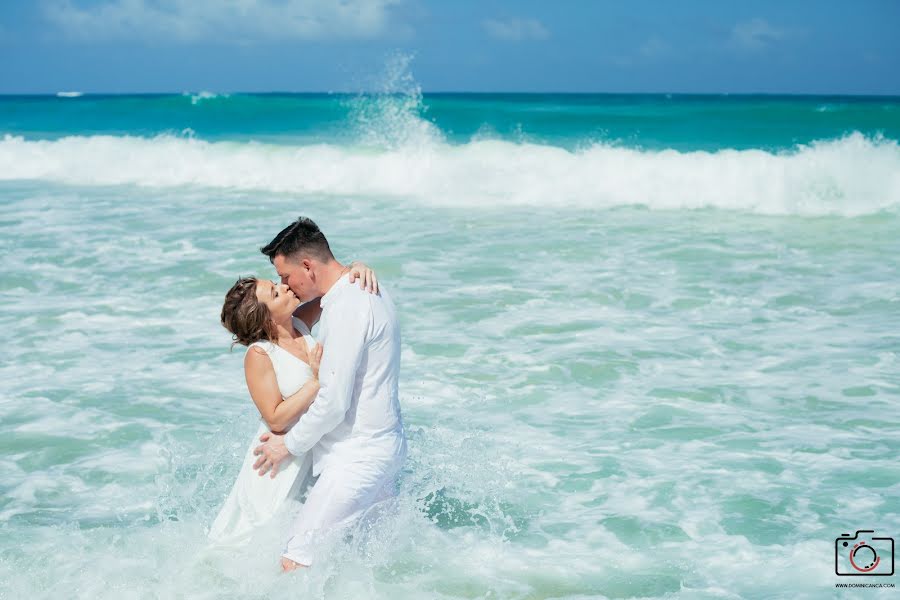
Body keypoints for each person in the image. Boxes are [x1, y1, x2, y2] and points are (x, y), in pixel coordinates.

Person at [252, 217, 407, 571]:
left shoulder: (349, 305)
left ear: (307, 265)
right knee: (365, 567)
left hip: (359, 457)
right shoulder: (359, 292)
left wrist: (287, 446)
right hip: (381, 448)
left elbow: (333, 401)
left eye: (286, 276)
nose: (285, 286)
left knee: (294, 563)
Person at [209, 260, 379, 545]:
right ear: (265, 319)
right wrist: (316, 381)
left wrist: (357, 267)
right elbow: (275, 418)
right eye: (275, 293)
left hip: (309, 449)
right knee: (255, 541)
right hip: (276, 463)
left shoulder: (300, 322)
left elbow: (332, 285)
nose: (284, 287)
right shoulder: (260, 354)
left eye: (277, 284)